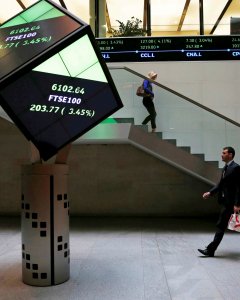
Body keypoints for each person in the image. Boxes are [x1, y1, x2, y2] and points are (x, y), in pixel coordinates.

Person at [198, 146, 240, 257]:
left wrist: (237, 204)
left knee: (221, 226)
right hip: (227, 203)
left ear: (230, 155)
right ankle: (210, 250)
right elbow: (220, 184)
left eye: (224, 153)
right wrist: (210, 193)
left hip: (232, 204)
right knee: (221, 226)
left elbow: (239, 187)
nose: (221, 154)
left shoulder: (236, 168)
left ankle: (210, 250)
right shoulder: (226, 167)